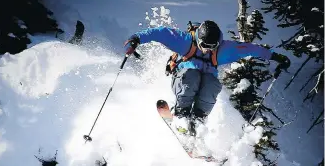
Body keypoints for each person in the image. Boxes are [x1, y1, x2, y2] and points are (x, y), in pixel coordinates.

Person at [124, 20, 290, 135]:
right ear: (198, 40)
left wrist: (276, 57)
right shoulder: (185, 41)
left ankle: (198, 121)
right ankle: (181, 116)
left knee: (213, 84)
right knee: (193, 76)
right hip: (183, 78)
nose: (208, 50)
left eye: (213, 47)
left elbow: (250, 49)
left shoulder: (224, 50)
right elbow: (160, 33)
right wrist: (136, 39)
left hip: (204, 82)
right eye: (204, 46)